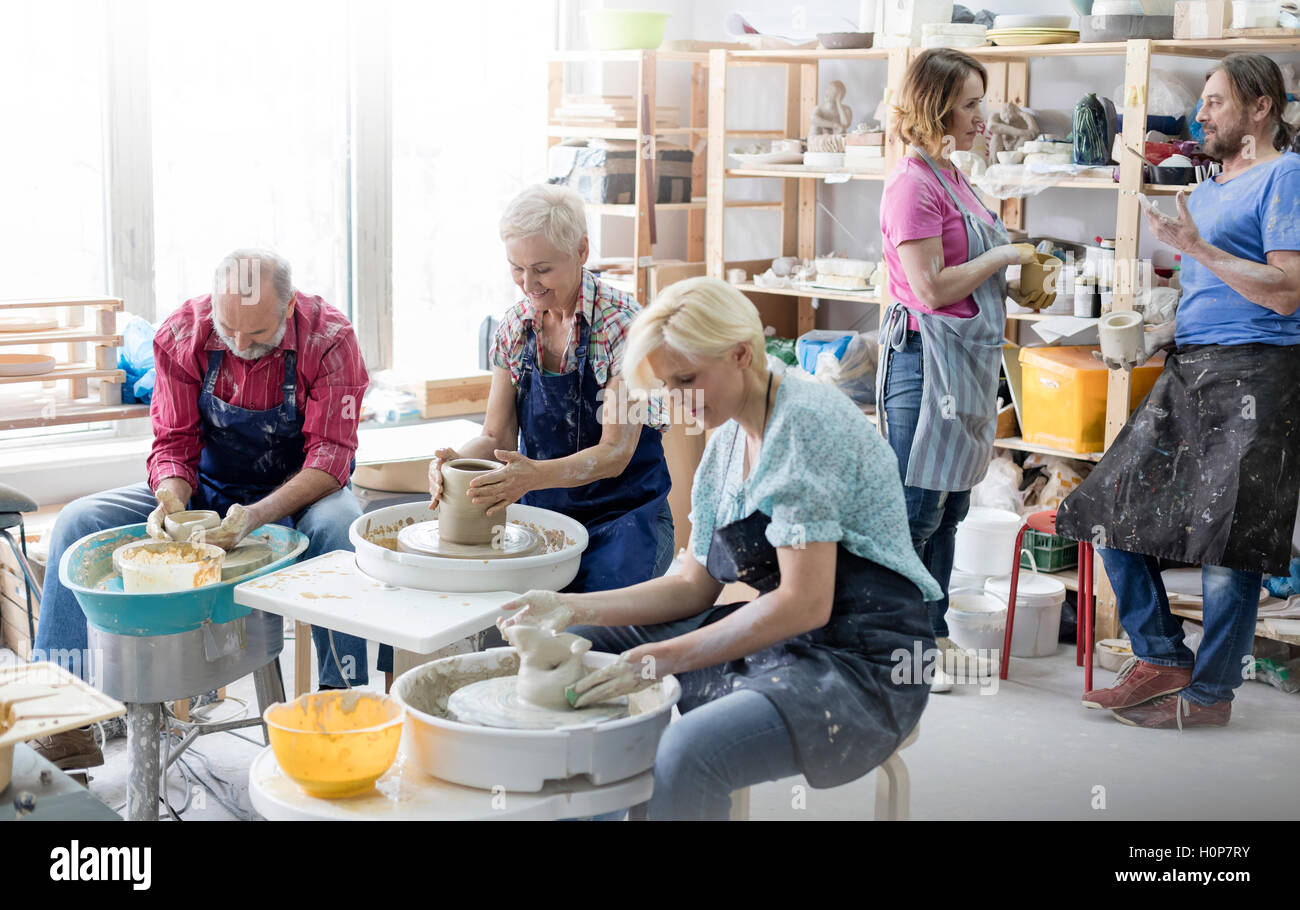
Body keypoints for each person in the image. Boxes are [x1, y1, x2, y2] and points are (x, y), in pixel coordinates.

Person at [499, 277, 940, 821]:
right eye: (667, 384)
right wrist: (569, 606)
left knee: (690, 752)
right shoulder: (728, 441)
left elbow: (806, 604)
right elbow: (692, 585)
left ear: (741, 355)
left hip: (865, 656)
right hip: (785, 628)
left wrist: (659, 659)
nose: (676, 400)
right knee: (581, 645)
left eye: (687, 379)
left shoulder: (804, 425)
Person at [30, 249, 375, 769]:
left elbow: (331, 458)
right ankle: (65, 722)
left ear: (288, 309)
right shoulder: (182, 334)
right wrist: (171, 499)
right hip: (206, 492)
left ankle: (340, 703)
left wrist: (256, 515)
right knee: (79, 520)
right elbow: (173, 443)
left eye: (257, 336)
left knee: (343, 525)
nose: (239, 345)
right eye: (228, 330)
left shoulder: (330, 339)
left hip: (298, 493)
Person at [1058, 53, 1300, 729]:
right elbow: (1213, 283)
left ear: (1261, 108)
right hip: (1192, 365)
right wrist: (1162, 326)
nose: (1200, 114)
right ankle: (1162, 655)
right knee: (1104, 508)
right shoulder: (1212, 187)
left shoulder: (1286, 176)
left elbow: (1286, 293)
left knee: (1231, 542)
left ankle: (1210, 695)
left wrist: (1193, 248)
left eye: (1216, 101)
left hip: (1260, 370)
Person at [876, 48, 1041, 690]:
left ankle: (932, 637)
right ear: (937, 105)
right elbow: (932, 287)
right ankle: (898, 647)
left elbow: (967, 280)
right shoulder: (911, 183)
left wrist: (1019, 279)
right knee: (915, 510)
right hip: (924, 362)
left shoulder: (953, 175)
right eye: (972, 103)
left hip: (963, 362)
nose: (983, 114)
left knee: (949, 512)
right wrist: (1002, 257)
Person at [428, 184, 674, 593]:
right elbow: (496, 436)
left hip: (627, 519)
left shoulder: (625, 325)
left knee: (587, 630)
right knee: (498, 617)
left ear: (581, 251)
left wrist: (530, 476)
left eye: (542, 269)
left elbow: (615, 453)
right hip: (543, 515)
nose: (528, 285)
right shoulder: (515, 325)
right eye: (516, 268)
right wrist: (451, 465)